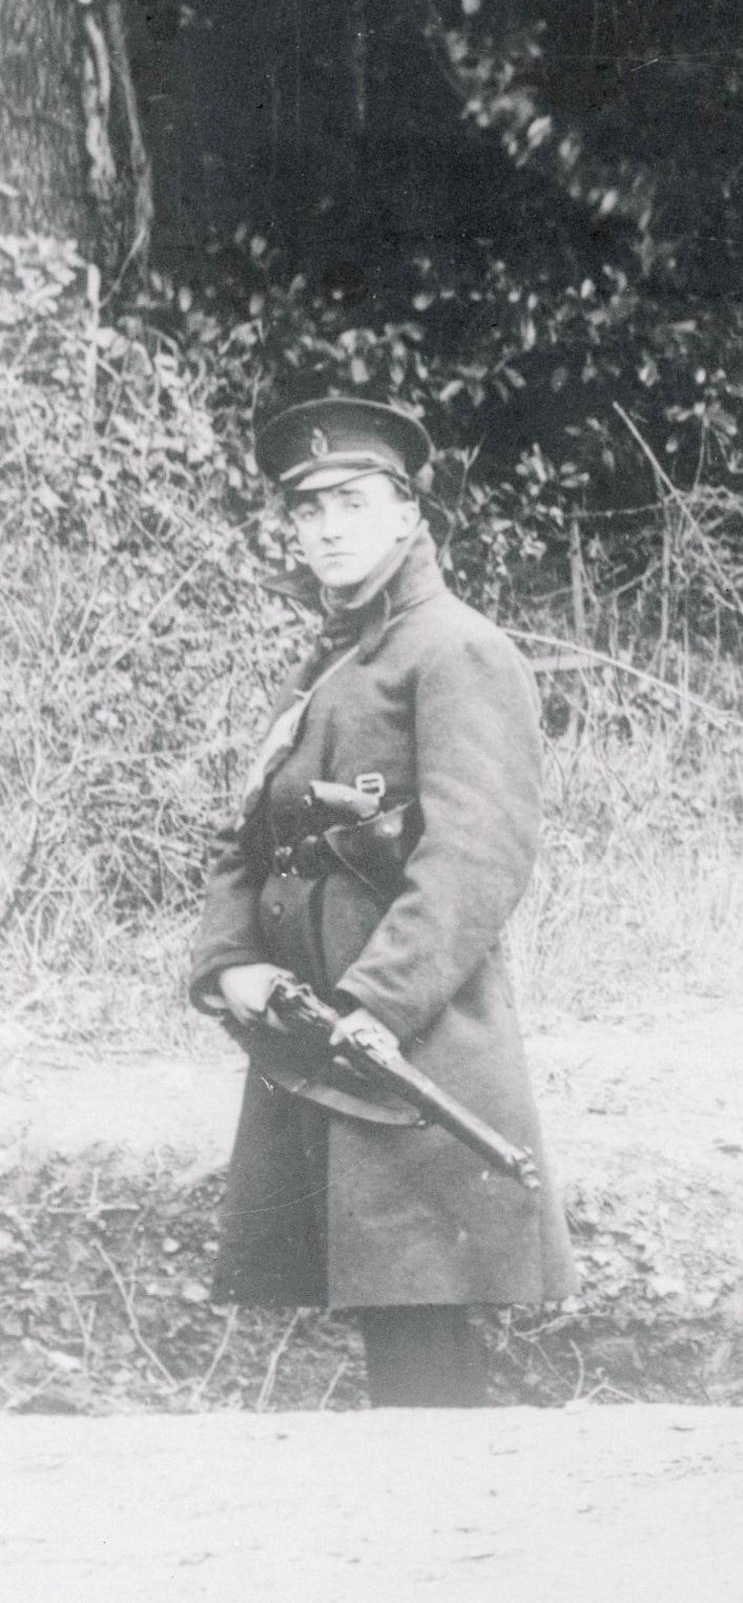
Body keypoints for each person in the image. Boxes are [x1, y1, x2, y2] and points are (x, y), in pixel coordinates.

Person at [189, 397, 571, 1407]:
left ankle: (455, 1541)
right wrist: (231, 965)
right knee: (383, 1312)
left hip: (412, 1038)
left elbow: (476, 855)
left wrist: (378, 1003)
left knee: (423, 1316)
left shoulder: (457, 649)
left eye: (352, 502)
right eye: (307, 510)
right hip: (318, 1028)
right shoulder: (323, 667)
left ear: (407, 514)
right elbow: (251, 833)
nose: (327, 527)